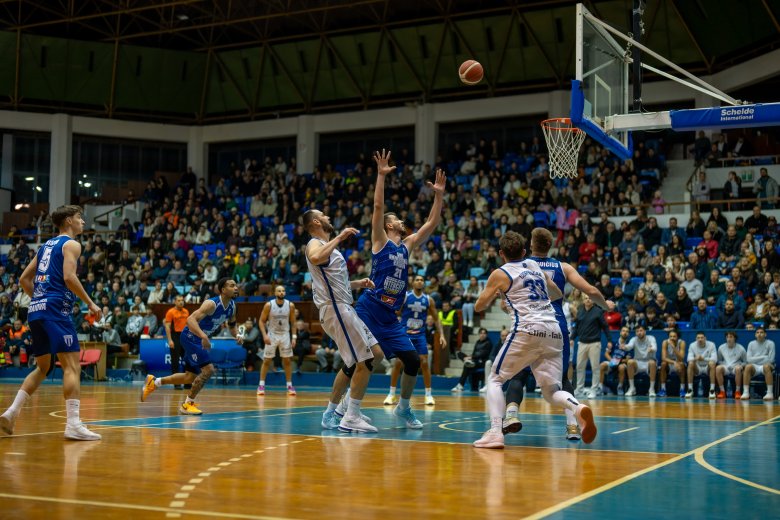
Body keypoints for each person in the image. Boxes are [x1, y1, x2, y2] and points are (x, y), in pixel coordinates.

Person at [472, 231, 597, 448]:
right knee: (551, 392)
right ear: (523, 251)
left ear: (501, 254)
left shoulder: (500, 273)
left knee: (495, 379)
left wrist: (499, 292)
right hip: (554, 330)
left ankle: (495, 432)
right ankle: (578, 408)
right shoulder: (535, 267)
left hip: (527, 328)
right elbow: (558, 293)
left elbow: (479, 306)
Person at [354, 149, 445, 430]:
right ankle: (346, 406)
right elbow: (379, 208)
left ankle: (403, 409)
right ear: (390, 225)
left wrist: (439, 195)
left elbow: (432, 224)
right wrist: (381, 176)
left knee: (412, 360)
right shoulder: (381, 240)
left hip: (391, 316)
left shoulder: (407, 246)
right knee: (363, 358)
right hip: (369, 308)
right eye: (399, 221)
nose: (404, 223)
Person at [0, 205, 103, 440]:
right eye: (79, 218)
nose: (83, 222)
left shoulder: (45, 246)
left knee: (43, 367)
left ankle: (11, 412)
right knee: (72, 366)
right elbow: (69, 276)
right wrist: (90, 303)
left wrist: (39, 298)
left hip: (36, 310)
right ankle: (74, 424)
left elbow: (24, 278)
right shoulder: (72, 244)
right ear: (68, 221)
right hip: (56, 309)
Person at [503, 227, 613, 441]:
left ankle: (511, 416)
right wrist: (606, 306)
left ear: (531, 245)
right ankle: (572, 427)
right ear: (550, 246)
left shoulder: (522, 267)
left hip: (530, 324)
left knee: (519, 374)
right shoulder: (562, 267)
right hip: (556, 326)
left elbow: (503, 302)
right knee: (562, 378)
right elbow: (590, 290)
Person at [303, 209, 383, 433]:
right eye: (324, 215)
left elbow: (336, 281)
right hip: (336, 309)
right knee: (364, 361)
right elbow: (316, 258)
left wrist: (358, 283)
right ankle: (351, 416)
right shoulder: (314, 243)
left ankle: (335, 412)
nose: (329, 216)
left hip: (344, 306)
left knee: (375, 353)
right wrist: (340, 237)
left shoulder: (328, 248)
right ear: (316, 221)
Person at [141, 278, 242, 415]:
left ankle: (155, 382)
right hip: (190, 337)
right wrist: (204, 336)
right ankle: (187, 404)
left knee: (190, 377)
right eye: (232, 286)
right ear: (223, 290)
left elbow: (232, 325)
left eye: (236, 285)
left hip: (197, 339)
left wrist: (237, 335)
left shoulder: (232, 307)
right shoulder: (211, 304)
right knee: (208, 370)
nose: (236, 288)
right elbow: (190, 320)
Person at [385, 275, 446, 406]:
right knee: (398, 362)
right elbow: (396, 312)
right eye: (417, 280)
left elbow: (436, 319)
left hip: (420, 335)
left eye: (422, 280)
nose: (419, 281)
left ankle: (428, 395)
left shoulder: (428, 300)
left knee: (424, 362)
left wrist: (441, 335)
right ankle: (391, 394)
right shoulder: (406, 297)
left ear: (424, 283)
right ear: (412, 283)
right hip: (405, 334)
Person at [257, 285, 297, 396]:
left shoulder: (291, 305)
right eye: (279, 291)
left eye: (283, 290)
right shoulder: (269, 305)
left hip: (285, 335)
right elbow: (261, 321)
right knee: (267, 360)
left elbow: (293, 323)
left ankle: (289, 385)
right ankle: (261, 385)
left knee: (287, 361)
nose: (281, 292)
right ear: (275, 293)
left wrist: (294, 337)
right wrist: (265, 336)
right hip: (272, 335)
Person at [573, 295, 612, 399]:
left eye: (590, 298)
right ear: (583, 300)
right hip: (582, 343)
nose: (588, 300)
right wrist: (572, 338)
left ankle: (594, 389)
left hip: (594, 343)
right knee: (579, 367)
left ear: (593, 301)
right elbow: (577, 327)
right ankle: (579, 389)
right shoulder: (580, 310)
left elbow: (605, 327)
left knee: (595, 367)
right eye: (586, 298)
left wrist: (609, 340)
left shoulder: (598, 311)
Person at [450, 328, 491, 393]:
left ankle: (460, 385)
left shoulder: (488, 343)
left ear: (486, 335)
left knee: (467, 366)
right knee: (459, 353)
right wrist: (469, 357)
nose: (482, 335)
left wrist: (471, 357)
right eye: (481, 333)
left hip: (481, 362)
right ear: (479, 334)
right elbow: (474, 353)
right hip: (474, 360)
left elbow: (483, 354)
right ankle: (467, 361)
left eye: (484, 333)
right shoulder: (477, 342)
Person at [741, 327, 775, 401]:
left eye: (761, 332)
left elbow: (771, 359)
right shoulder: (751, 344)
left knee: (766, 366)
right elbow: (749, 359)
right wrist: (764, 357)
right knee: (748, 366)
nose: (759, 334)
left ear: (765, 334)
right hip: (755, 367)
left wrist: (755, 359)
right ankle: (746, 392)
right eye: (757, 332)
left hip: (766, 366)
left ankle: (770, 393)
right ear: (755, 335)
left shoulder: (771, 343)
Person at [164, 295, 190, 389]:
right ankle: (177, 383)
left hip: (185, 337)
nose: (181, 302)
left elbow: (188, 325)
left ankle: (188, 382)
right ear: (175, 302)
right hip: (175, 337)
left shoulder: (186, 311)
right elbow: (167, 326)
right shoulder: (170, 312)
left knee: (187, 360)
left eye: (182, 300)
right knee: (175, 361)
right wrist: (170, 340)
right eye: (179, 301)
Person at [625, 325, 658, 396]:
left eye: (641, 331)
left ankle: (651, 389)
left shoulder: (651, 338)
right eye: (637, 331)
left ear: (645, 332)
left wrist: (651, 349)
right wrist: (624, 347)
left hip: (648, 362)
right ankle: (632, 388)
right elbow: (629, 346)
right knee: (630, 362)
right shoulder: (634, 339)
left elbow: (655, 348)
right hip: (638, 362)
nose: (639, 333)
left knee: (653, 363)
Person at [599, 326, 631, 396]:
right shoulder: (613, 342)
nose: (625, 333)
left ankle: (620, 387)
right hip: (612, 361)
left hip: (622, 363)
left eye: (627, 331)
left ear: (628, 334)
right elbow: (606, 354)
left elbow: (628, 359)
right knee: (602, 365)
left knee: (621, 367)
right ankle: (600, 387)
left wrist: (618, 361)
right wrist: (613, 361)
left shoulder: (629, 345)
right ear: (620, 332)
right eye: (623, 331)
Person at [685, 332, 717, 398]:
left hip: (707, 367)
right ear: (696, 339)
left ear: (705, 338)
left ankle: (712, 390)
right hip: (697, 368)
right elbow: (688, 359)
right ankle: (690, 389)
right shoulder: (692, 345)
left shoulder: (711, 345)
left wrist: (703, 359)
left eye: (702, 338)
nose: (700, 339)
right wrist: (696, 358)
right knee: (690, 363)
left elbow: (715, 359)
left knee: (712, 363)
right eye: (698, 338)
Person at [715, 331, 746, 399]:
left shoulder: (741, 348)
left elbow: (745, 362)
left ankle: (737, 392)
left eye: (731, 337)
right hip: (725, 367)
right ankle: (722, 391)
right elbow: (719, 360)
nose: (729, 339)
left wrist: (740, 365)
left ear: (734, 338)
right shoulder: (721, 347)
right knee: (718, 368)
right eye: (727, 337)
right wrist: (724, 364)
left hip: (735, 367)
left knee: (738, 369)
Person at [659, 329, 686, 397]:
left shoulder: (682, 343)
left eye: (674, 336)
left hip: (679, 363)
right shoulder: (665, 342)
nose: (672, 338)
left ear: (677, 337)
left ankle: (682, 389)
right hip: (669, 363)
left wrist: (674, 347)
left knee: (682, 364)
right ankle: (663, 389)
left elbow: (681, 358)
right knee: (663, 364)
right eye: (670, 336)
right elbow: (664, 358)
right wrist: (674, 362)